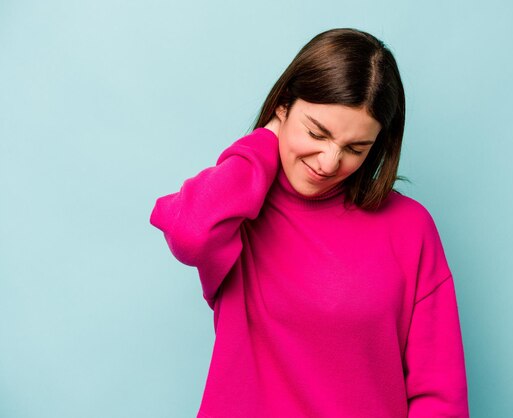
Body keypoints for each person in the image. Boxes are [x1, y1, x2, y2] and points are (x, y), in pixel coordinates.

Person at [150, 28, 469, 418]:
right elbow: (191, 233)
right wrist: (264, 142)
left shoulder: (409, 227)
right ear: (283, 105)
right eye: (317, 133)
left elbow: (440, 394)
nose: (329, 162)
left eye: (356, 148)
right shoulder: (240, 212)